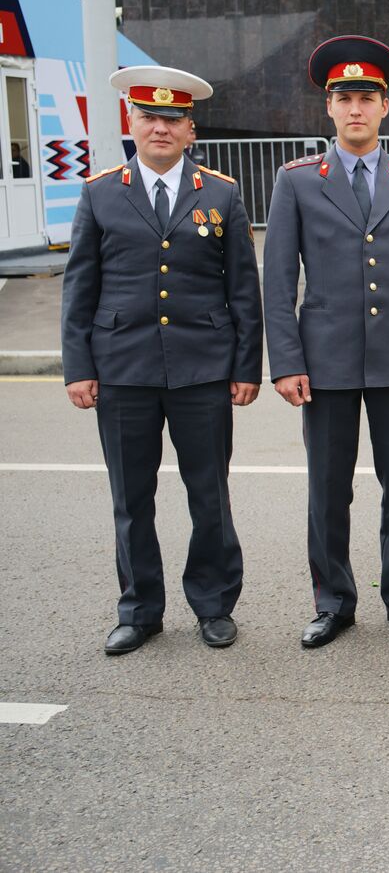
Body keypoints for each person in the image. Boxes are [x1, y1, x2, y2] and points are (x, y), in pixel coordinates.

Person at [263, 35, 389, 649]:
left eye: (366, 98)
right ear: (329, 108)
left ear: (385, 108)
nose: (355, 109)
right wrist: (286, 362)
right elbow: (278, 282)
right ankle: (334, 601)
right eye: (344, 97)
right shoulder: (297, 181)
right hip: (324, 362)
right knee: (329, 488)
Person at [61, 65, 263, 654]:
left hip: (203, 368)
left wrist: (246, 367)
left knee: (210, 495)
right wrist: (78, 367)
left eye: (172, 118)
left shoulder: (220, 193)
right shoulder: (100, 193)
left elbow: (242, 290)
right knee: (131, 498)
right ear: (132, 121)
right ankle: (140, 609)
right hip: (122, 367)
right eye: (148, 116)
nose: (159, 128)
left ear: (190, 130)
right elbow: (80, 288)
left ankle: (213, 604)